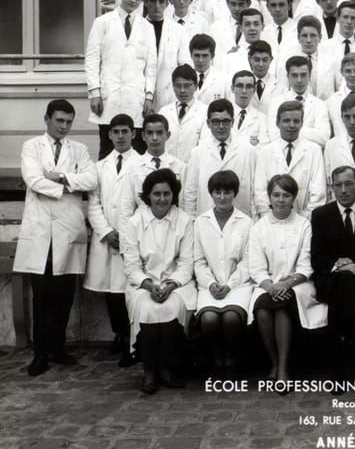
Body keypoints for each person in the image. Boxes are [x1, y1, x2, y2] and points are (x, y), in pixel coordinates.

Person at [14, 99, 97, 376]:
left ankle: (58, 348)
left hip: (67, 230)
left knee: (64, 295)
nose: (64, 126)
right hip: (41, 232)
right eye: (59, 120)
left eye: (69, 122)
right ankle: (41, 353)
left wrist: (60, 177)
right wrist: (70, 186)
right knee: (42, 295)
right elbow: (33, 180)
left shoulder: (79, 149)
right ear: (47, 119)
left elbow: (91, 180)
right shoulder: (31, 147)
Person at [121, 168, 197, 394]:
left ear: (174, 194)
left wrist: (171, 285)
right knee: (147, 308)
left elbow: (186, 263)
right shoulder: (133, 223)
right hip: (143, 284)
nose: (162, 199)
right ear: (148, 196)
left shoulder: (185, 221)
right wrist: (149, 285)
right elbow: (131, 267)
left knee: (174, 307)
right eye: (156, 194)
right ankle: (149, 371)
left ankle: (166, 368)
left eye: (167, 193)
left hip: (177, 283)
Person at [247, 174, 328, 384]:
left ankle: (283, 368)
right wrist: (270, 286)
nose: (281, 200)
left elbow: (306, 264)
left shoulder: (304, 225)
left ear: (293, 198)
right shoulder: (259, 228)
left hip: (298, 284)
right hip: (267, 284)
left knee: (282, 308)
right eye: (276, 195)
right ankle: (273, 363)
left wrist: (287, 283)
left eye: (286, 195)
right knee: (262, 310)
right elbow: (256, 268)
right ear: (269, 197)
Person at [311, 166, 355, 377]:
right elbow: (317, 257)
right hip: (331, 280)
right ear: (332, 188)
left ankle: (339, 361)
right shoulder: (321, 215)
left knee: (348, 286)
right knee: (344, 282)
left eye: (348, 184)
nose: (343, 190)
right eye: (338, 185)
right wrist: (338, 264)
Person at [85, 113, 141, 367]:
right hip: (108, 237)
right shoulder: (99, 167)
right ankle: (119, 334)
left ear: (133, 134)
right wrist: (106, 232)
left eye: (125, 131)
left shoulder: (141, 164)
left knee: (129, 289)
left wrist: (128, 235)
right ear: (109, 134)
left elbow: (143, 205)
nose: (120, 136)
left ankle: (133, 340)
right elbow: (93, 204)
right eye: (116, 132)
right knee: (111, 291)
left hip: (131, 237)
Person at [86, 0, 155, 159]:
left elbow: (151, 65)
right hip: (109, 96)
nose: (133, 0)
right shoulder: (102, 22)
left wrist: (149, 96)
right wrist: (94, 92)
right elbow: (92, 58)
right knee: (108, 149)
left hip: (135, 97)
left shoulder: (147, 27)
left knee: (136, 151)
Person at [194, 170, 254, 378]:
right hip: (209, 286)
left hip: (238, 286)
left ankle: (231, 360)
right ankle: (216, 360)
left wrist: (229, 284)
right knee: (209, 320)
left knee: (231, 319)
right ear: (211, 193)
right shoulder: (200, 222)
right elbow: (199, 261)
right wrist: (211, 283)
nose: (222, 197)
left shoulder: (246, 222)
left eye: (227, 192)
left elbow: (247, 262)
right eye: (217, 192)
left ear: (234, 193)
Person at [183, 99, 256, 217]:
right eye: (216, 121)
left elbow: (254, 191)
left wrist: (254, 220)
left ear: (233, 122)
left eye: (226, 121)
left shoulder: (249, 151)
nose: (221, 126)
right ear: (208, 123)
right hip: (206, 218)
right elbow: (191, 192)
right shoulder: (197, 153)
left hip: (241, 218)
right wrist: (191, 219)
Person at [254, 100, 326, 218]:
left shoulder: (314, 151)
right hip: (272, 221)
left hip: (305, 220)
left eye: (296, 121)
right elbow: (260, 193)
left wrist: (303, 221)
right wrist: (273, 219)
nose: (291, 125)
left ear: (302, 123)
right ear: (277, 123)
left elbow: (318, 194)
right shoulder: (265, 153)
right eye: (286, 120)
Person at [119, 113, 186, 231]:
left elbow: (183, 205)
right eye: (150, 133)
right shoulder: (132, 166)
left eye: (159, 133)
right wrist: (125, 238)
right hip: (142, 227)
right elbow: (126, 208)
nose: (155, 138)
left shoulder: (179, 166)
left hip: (172, 227)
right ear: (143, 136)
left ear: (168, 135)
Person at [265, 56, 331, 147]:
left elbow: (324, 137)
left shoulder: (320, 104)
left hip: (310, 153)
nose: (299, 80)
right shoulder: (276, 103)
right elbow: (274, 136)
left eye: (303, 75)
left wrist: (288, 129)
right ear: (288, 76)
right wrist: (310, 131)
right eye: (294, 75)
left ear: (309, 76)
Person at [146, 0, 191, 110]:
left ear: (167, 3)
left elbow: (185, 64)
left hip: (168, 94)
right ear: (145, 2)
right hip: (141, 94)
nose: (157, 6)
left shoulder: (178, 30)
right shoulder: (137, 28)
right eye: (153, 0)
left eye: (161, 1)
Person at [230, 70, 269, 147]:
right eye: (240, 86)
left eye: (248, 87)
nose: (244, 91)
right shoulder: (223, 114)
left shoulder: (261, 118)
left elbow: (264, 146)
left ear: (254, 90)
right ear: (232, 88)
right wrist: (249, 142)